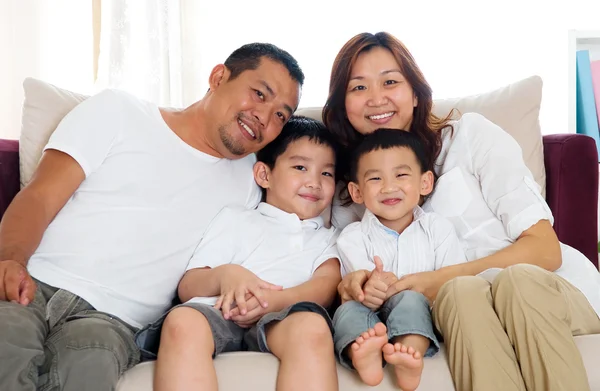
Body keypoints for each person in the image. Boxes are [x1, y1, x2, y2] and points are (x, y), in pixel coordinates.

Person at [0, 42, 303, 391]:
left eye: (281, 114)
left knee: (88, 366)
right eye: (259, 94)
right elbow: (40, 195)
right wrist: (11, 258)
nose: (265, 117)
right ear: (219, 76)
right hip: (35, 281)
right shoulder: (119, 111)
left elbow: (295, 234)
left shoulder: (256, 181)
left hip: (110, 321)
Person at [323, 31, 600, 391]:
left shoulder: (469, 135)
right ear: (343, 104)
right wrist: (355, 286)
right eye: (358, 88)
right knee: (461, 294)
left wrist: (443, 278)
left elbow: (544, 248)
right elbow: (350, 272)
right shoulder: (351, 193)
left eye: (390, 81)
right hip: (458, 307)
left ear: (415, 94)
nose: (376, 98)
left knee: (510, 281)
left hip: (542, 288)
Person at [138, 115, 341, 391]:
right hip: (221, 311)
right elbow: (188, 286)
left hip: (283, 320)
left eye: (326, 173)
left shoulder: (328, 238)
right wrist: (226, 275)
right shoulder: (237, 219)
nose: (314, 182)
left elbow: (326, 285)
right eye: (300, 167)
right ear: (264, 175)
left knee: (312, 329)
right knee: (182, 321)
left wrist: (275, 300)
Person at [332, 128, 466, 391]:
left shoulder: (438, 229)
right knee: (346, 311)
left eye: (401, 175)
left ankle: (408, 352)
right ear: (356, 192)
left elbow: (454, 283)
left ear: (425, 183)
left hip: (420, 315)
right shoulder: (352, 237)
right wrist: (369, 288)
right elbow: (355, 286)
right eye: (375, 179)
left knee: (411, 298)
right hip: (370, 316)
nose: (389, 187)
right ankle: (363, 352)